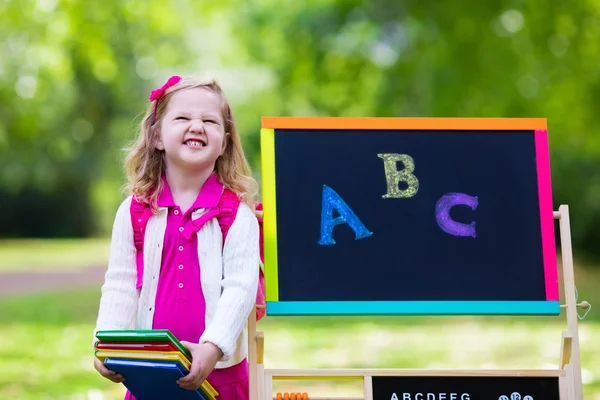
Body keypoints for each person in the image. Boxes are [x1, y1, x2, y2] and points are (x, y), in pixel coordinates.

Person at [93, 75, 260, 400]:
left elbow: (241, 289)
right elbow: (120, 284)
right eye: (183, 117)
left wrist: (213, 349)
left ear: (224, 142)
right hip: (149, 370)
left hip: (221, 376)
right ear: (156, 136)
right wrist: (105, 343)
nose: (196, 126)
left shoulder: (236, 214)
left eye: (209, 120)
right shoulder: (134, 212)